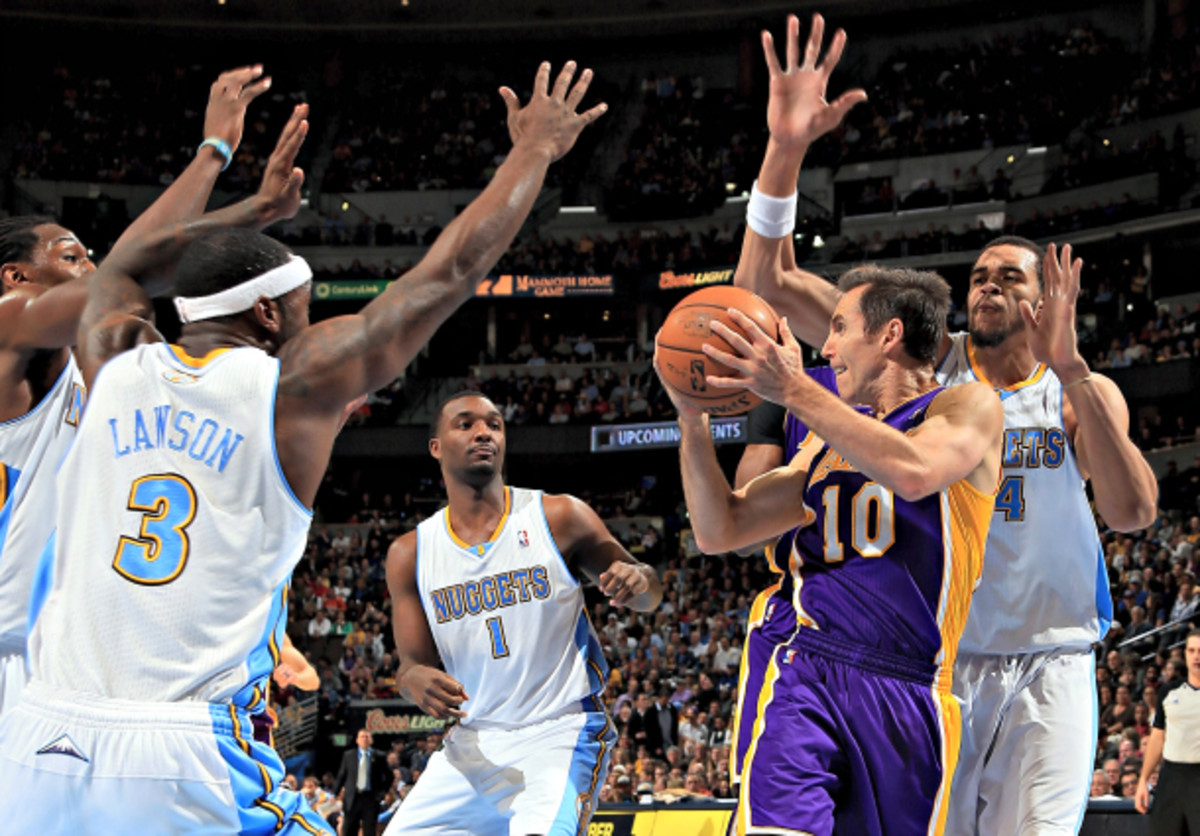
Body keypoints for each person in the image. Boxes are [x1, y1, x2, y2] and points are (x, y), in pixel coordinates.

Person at [0, 59, 604, 834]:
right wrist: (533, 153)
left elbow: (127, 264)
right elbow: (447, 272)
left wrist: (230, 178)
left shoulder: (109, 350)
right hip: (180, 753)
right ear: (265, 315)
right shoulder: (290, 390)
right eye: (301, 306)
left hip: (39, 739)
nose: (307, 321)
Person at [732, 13, 1158, 834]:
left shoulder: (1076, 390)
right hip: (942, 665)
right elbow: (767, 279)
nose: (987, 285)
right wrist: (783, 150)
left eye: (1009, 277)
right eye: (978, 275)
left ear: (1043, 302)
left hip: (1051, 664)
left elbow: (1136, 512)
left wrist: (1073, 368)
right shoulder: (929, 372)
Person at [662, 263, 1003, 836]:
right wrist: (689, 416)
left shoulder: (967, 407)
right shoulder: (823, 443)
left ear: (889, 335)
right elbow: (720, 528)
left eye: (840, 328)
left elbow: (915, 472)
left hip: (910, 691)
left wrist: (792, 388)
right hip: (809, 672)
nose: (827, 347)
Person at [0, 65, 273, 715]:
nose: (90, 267)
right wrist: (219, 162)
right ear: (15, 275)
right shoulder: (8, 321)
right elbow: (130, 272)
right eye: (71, 256)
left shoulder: (100, 364)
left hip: (68, 659)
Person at [382, 390, 661, 835]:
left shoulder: (559, 516)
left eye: (494, 424)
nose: (483, 433)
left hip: (559, 731)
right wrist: (412, 679)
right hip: (472, 745)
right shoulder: (409, 553)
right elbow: (411, 664)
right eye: (466, 424)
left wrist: (640, 580)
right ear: (435, 447)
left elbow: (651, 592)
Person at [1135, 630, 1200, 834]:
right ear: (1185, 654)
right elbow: (1157, 738)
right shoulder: (1168, 692)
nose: (1197, 656)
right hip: (1170, 777)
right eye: (1192, 650)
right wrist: (1143, 780)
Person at [334, 729, 394, 836]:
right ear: (357, 740)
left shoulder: (379, 756)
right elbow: (341, 776)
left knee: (369, 831)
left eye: (367, 737)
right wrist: (334, 793)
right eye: (362, 737)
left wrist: (381, 793)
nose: (365, 739)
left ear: (371, 740)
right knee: (348, 830)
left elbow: (389, 776)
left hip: (370, 799)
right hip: (352, 798)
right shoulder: (348, 755)